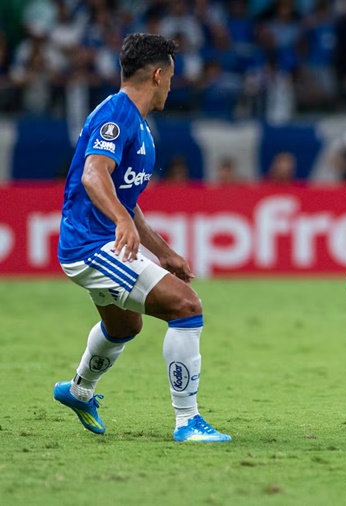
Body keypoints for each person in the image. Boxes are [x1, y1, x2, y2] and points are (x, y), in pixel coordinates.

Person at [53, 33, 230, 442]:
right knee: (186, 307)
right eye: (170, 76)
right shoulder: (116, 116)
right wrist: (120, 221)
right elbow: (94, 174)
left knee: (124, 327)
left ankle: (78, 391)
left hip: (98, 241)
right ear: (157, 74)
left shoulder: (137, 122)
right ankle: (188, 421)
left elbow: (125, 197)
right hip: (91, 245)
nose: (172, 84)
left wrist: (163, 252)